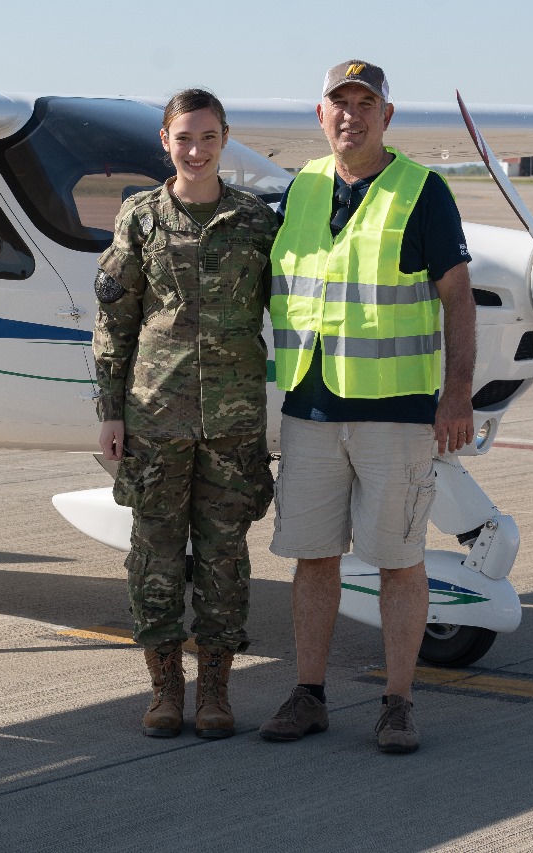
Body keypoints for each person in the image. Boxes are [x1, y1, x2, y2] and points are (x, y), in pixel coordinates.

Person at [258, 60, 476, 753]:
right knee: (313, 556)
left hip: (398, 411)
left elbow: (459, 297)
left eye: (365, 103)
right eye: (338, 103)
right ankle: (310, 693)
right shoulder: (300, 190)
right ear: (320, 115)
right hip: (310, 406)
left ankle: (398, 701)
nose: (350, 114)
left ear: (387, 115)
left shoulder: (423, 191)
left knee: (397, 559)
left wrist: (458, 393)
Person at [92, 89, 279, 740]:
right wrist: (110, 411)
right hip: (156, 415)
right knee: (155, 555)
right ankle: (167, 689)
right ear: (165, 142)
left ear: (225, 139)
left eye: (207, 138)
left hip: (233, 421)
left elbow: (292, 308)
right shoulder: (140, 218)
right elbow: (115, 319)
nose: (195, 151)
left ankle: (217, 691)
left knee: (226, 557)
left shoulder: (256, 222)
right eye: (183, 138)